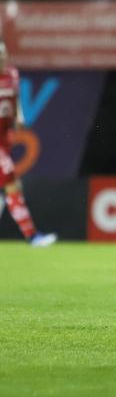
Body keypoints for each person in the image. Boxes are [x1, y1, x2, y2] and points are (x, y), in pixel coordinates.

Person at [0, 40, 57, 247]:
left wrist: (20, 117)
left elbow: (15, 100)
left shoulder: (12, 74)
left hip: (5, 138)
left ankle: (32, 236)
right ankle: (32, 236)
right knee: (12, 184)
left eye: (4, 53)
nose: (2, 58)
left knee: (9, 187)